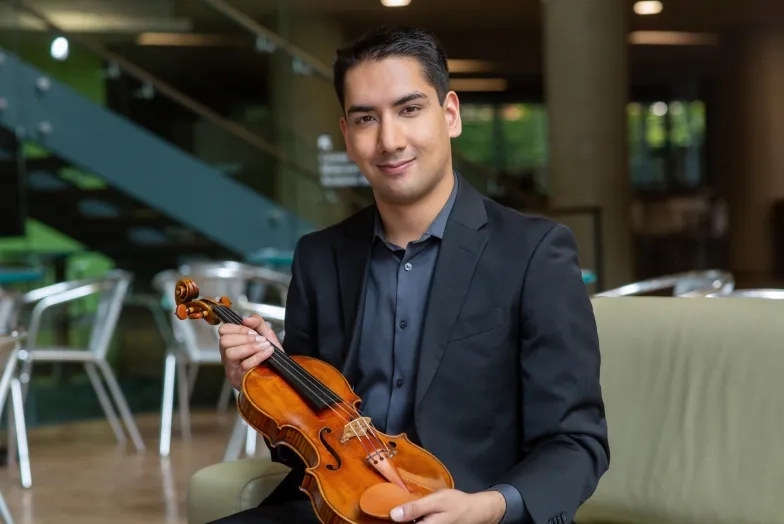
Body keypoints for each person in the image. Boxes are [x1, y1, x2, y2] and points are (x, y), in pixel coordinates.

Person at [215, 25, 609, 524]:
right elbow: (303, 454)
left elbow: (577, 444)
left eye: (409, 109)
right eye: (366, 118)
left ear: (450, 114)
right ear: (347, 135)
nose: (389, 139)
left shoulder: (534, 251)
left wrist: (486, 508)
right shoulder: (319, 258)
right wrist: (268, 387)